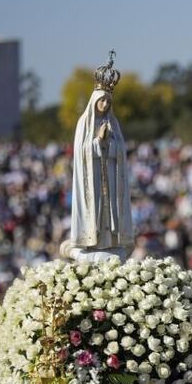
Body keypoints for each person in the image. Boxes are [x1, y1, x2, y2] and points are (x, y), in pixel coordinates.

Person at [59, 51, 133, 262]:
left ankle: (110, 241)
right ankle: (92, 241)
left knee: (110, 209)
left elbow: (120, 152)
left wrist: (110, 144)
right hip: (91, 178)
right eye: (102, 101)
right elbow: (82, 154)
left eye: (108, 102)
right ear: (94, 101)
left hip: (109, 176)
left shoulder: (113, 124)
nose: (105, 105)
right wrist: (98, 141)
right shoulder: (85, 123)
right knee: (96, 208)